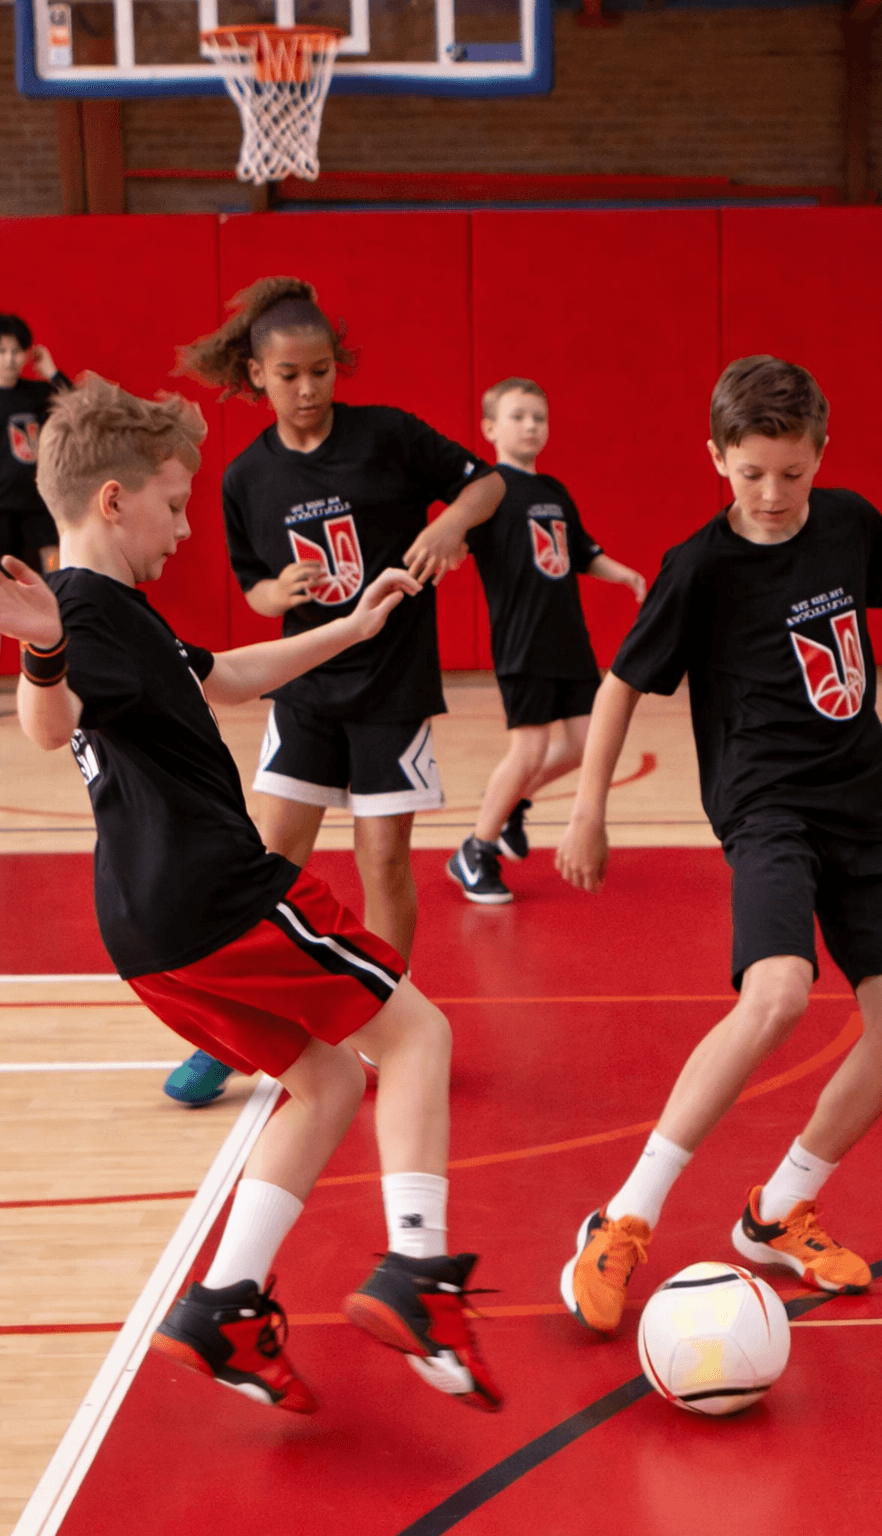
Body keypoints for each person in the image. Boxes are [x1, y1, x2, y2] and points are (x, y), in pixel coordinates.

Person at [0, 374, 501, 1414]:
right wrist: (42, 649)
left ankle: (222, 1305)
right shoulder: (84, 618)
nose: (188, 528)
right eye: (176, 505)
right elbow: (47, 729)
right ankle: (416, 1273)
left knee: (327, 1082)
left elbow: (223, 674)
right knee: (417, 1038)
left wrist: (351, 632)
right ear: (112, 501)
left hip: (145, 932)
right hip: (216, 894)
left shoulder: (124, 619)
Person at [555, 354, 882, 1336]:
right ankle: (623, 1217)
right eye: (751, 473)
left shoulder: (847, 523)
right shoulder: (699, 569)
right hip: (766, 806)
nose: (771, 495)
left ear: (820, 455)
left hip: (862, 806)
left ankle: (774, 1212)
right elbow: (620, 684)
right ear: (717, 457)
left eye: (791, 473)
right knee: (773, 993)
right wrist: (587, 807)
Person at [165, 277, 505, 1106]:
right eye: (290, 376)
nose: (310, 389)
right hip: (305, 692)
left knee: (382, 858)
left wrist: (449, 521)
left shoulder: (388, 436)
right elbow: (253, 588)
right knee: (266, 866)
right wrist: (275, 595)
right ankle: (240, 1033)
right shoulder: (246, 477)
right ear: (256, 377)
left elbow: (488, 483)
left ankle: (386, 1027)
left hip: (391, 687)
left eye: (322, 371)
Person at [446, 377, 646, 904]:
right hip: (522, 641)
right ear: (490, 428)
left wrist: (623, 574)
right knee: (530, 748)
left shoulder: (554, 491)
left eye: (539, 417)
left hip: (569, 642)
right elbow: (453, 539)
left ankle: (510, 803)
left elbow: (580, 552)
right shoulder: (488, 492)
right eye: (518, 416)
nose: (531, 425)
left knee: (584, 744)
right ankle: (476, 848)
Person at [0, 313, 71, 575]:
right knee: (5, 575)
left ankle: (57, 602)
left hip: (37, 498)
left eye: (16, 351)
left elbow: (74, 408)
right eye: (2, 351)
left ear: (27, 354)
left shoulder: (37, 393)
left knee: (53, 563)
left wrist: (51, 371)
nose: (9, 358)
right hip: (1, 503)